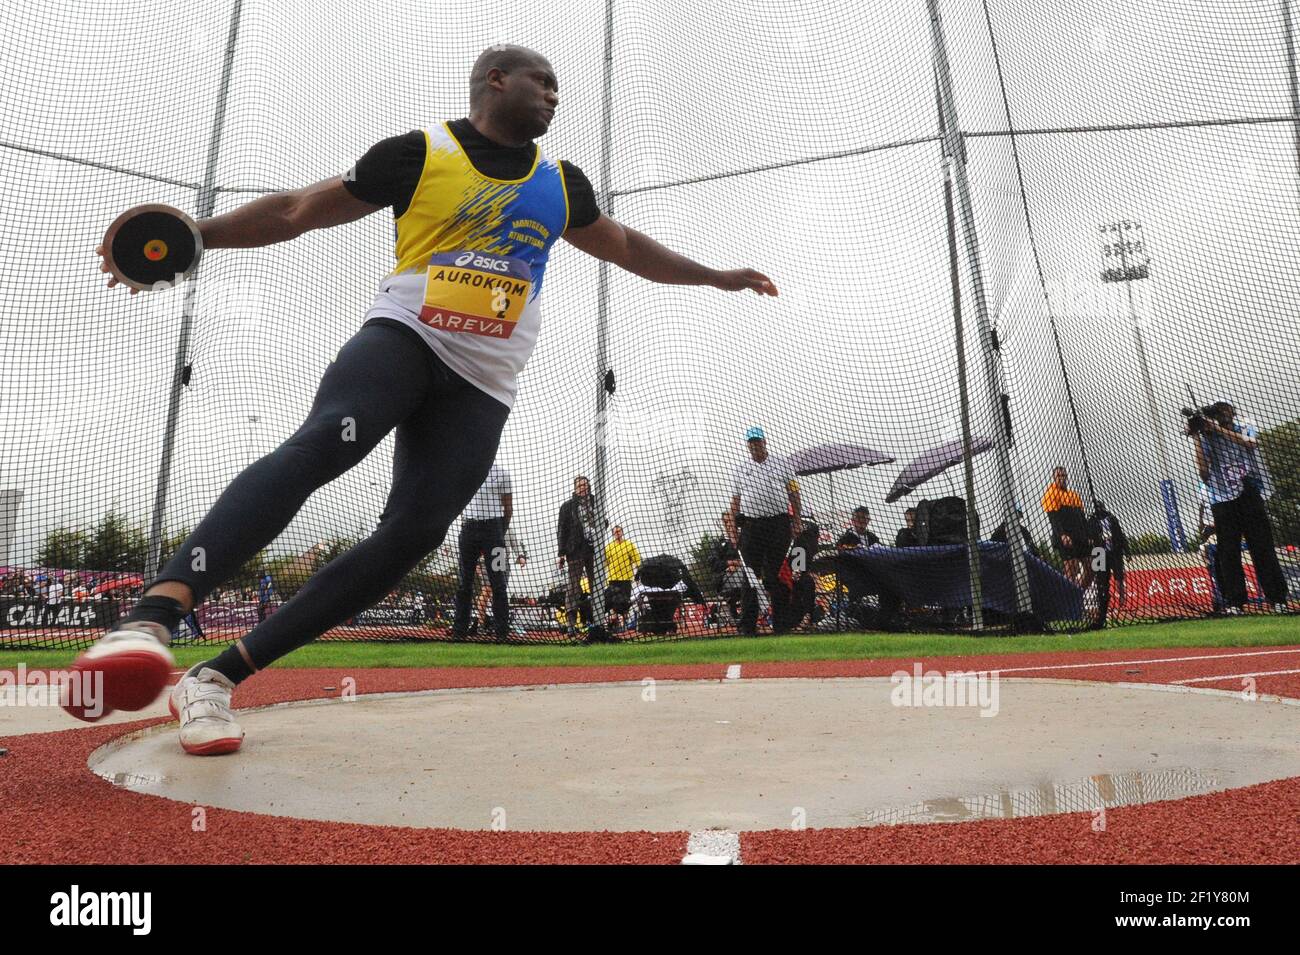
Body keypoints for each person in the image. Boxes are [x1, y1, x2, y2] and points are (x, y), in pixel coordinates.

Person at [76, 44, 777, 750]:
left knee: (415, 533)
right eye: (544, 82)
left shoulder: (563, 182)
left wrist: (714, 276)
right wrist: (199, 235)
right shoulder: (418, 152)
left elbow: (626, 246)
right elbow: (297, 211)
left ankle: (215, 678)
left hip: (486, 379)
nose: (555, 97)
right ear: (495, 81)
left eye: (560, 88)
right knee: (326, 442)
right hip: (405, 336)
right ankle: (152, 618)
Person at [1191, 400, 1289, 614]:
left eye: (1226, 411)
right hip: (1222, 499)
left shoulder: (1245, 424)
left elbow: (1251, 443)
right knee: (1228, 552)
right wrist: (1198, 437)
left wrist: (1217, 429)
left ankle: (1277, 598)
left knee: (1262, 547)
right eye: (1219, 413)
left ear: (1232, 413)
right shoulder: (1209, 438)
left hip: (1249, 491)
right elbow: (1203, 472)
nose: (1223, 415)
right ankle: (1235, 602)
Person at [729, 426, 801, 635]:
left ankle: (781, 625)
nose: (755, 445)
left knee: (777, 575)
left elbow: (794, 494)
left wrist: (796, 521)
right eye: (751, 442)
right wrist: (733, 530)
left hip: (778, 525)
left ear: (765, 442)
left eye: (758, 441)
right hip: (751, 526)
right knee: (749, 575)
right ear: (747, 445)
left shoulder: (782, 464)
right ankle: (747, 627)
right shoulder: (741, 469)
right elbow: (735, 502)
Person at [453, 461, 515, 641]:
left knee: (499, 583)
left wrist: (499, 532)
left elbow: (508, 508)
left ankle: (501, 632)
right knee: (465, 582)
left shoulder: (503, 474)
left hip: (494, 531)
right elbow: (458, 502)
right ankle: (459, 631)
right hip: (469, 530)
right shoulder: (466, 470)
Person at [557, 475, 603, 637]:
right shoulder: (568, 507)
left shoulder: (597, 501)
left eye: (585, 485)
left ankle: (599, 620)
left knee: (596, 584)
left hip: (594, 550)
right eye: (580, 485)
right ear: (575, 488)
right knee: (573, 586)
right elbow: (561, 530)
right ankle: (571, 623)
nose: (583, 487)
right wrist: (561, 553)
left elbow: (604, 522)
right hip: (575, 550)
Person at [1041, 466, 1091, 589]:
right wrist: (1062, 535)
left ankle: (1077, 593)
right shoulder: (1051, 493)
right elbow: (1054, 519)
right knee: (1072, 569)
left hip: (1079, 536)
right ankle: (1068, 598)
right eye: (1059, 476)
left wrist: (1088, 535)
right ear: (1054, 478)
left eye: (1064, 475)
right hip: (1065, 536)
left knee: (1091, 567)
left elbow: (1082, 519)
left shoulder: (1074, 495)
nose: (1062, 478)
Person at [1085, 501, 1128, 629]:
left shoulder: (1111, 518)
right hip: (1099, 552)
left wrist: (1126, 551)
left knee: (1119, 576)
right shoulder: (1092, 520)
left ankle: (1121, 598)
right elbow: (1089, 536)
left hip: (1114, 551)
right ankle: (1102, 600)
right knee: (1101, 579)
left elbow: (1120, 535)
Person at [603, 524, 640, 625]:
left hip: (626, 579)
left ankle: (625, 623)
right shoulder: (609, 547)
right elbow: (604, 563)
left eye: (619, 531)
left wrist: (639, 573)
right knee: (613, 601)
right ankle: (615, 621)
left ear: (622, 532)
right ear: (613, 534)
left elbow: (637, 560)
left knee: (625, 601)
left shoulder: (629, 545)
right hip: (613, 578)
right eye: (615, 532)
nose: (617, 533)